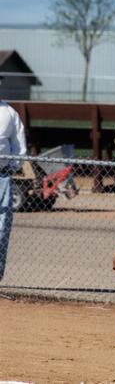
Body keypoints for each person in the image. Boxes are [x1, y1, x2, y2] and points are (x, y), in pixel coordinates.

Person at [0, 101, 27, 279]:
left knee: (2, 226)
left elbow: (19, 146)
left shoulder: (9, 112)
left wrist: (12, 167)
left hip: (2, 176)